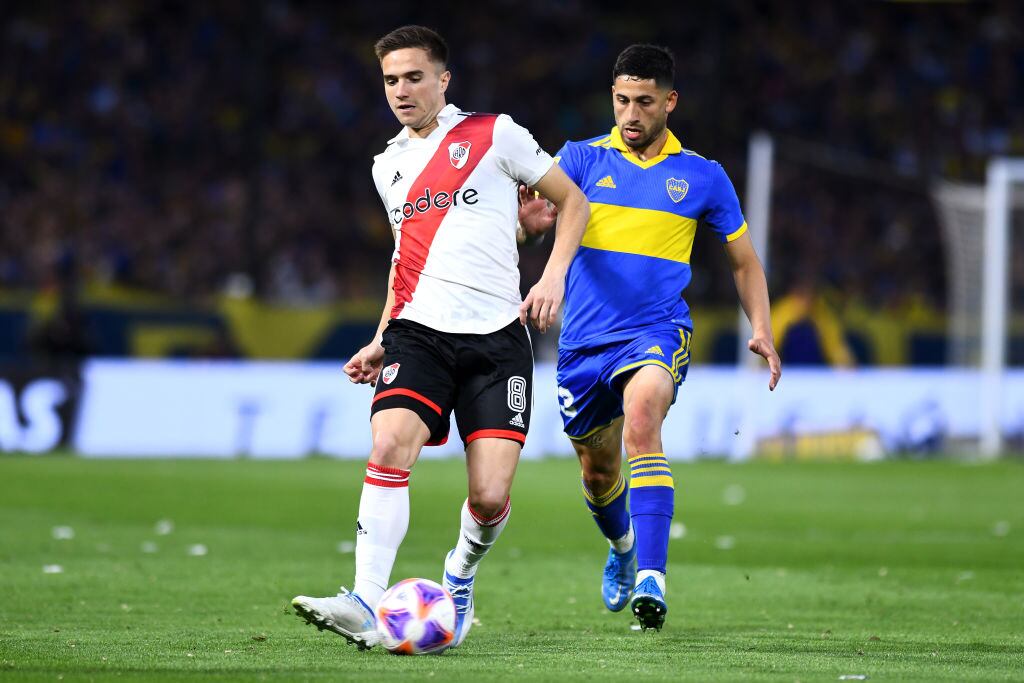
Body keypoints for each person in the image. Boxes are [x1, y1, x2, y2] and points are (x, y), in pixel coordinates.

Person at [291, 25, 589, 649]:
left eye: (413, 77)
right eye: (390, 81)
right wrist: (380, 338)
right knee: (390, 443)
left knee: (488, 496)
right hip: (418, 334)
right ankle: (365, 597)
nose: (401, 91)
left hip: (498, 341)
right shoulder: (387, 166)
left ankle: (460, 572)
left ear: (443, 79)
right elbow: (411, 262)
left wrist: (551, 276)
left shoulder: (494, 134)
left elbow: (573, 203)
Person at [519, 44, 781, 631]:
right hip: (583, 344)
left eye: (643, 101)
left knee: (642, 422)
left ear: (670, 101)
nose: (630, 114)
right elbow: (531, 224)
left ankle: (653, 580)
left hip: (656, 331)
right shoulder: (580, 160)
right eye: (620, 101)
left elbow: (743, 261)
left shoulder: (703, 177)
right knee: (597, 471)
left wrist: (760, 328)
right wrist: (526, 228)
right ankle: (623, 550)